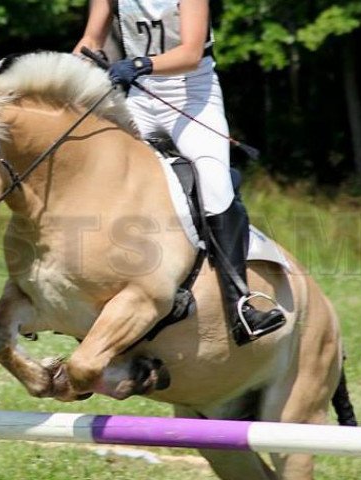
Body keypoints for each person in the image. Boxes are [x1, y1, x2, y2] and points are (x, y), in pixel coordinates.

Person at [73, 0, 285, 346]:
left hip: (192, 99)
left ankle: (242, 305)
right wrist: (65, 76)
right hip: (139, 99)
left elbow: (190, 53)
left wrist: (139, 64)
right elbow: (91, 41)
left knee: (215, 186)